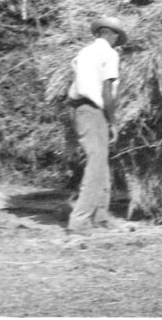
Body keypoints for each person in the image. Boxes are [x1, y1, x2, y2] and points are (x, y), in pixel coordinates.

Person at [65, 16, 129, 235]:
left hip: (79, 109)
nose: (117, 41)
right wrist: (113, 121)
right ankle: (79, 221)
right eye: (117, 37)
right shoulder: (109, 54)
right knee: (96, 164)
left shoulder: (85, 52)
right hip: (93, 111)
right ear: (112, 35)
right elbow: (107, 91)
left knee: (101, 163)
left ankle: (100, 217)